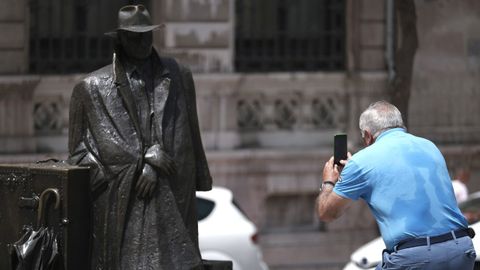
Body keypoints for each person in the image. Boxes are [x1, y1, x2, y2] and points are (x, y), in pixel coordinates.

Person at [68, 5, 211, 270]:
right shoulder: (91, 88)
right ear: (119, 39)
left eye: (147, 34)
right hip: (124, 216)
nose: (143, 41)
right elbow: (79, 156)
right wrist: (140, 163)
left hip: (173, 210)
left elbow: (189, 137)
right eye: (135, 36)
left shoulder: (179, 75)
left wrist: (161, 165)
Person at [316, 101, 476, 270]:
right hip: (461, 250)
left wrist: (329, 182)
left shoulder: (361, 162)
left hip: (414, 258)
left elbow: (327, 213)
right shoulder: (430, 146)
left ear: (368, 135)